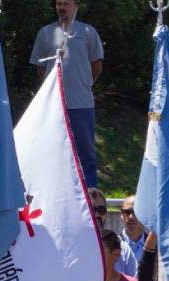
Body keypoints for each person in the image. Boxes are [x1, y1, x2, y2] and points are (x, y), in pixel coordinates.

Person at [30, 0, 103, 188]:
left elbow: (97, 66)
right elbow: (40, 68)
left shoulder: (88, 32)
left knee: (85, 153)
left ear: (76, 5)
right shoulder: (45, 33)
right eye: (59, 4)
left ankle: (90, 193)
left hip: (81, 104)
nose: (62, 7)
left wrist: (83, 84)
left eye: (66, 3)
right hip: (53, 106)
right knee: (51, 149)